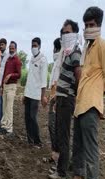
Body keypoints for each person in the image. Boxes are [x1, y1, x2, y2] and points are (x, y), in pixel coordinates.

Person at [60, 7, 105, 179]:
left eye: (92, 25)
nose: (88, 29)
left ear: (99, 25)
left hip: (91, 104)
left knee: (91, 148)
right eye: (86, 26)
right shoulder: (87, 49)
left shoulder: (104, 46)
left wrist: (96, 93)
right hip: (80, 104)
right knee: (78, 146)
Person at [49, 19, 82, 179]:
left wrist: (71, 94)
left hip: (67, 98)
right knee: (59, 133)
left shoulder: (75, 52)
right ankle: (60, 166)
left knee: (63, 135)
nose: (64, 35)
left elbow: (78, 75)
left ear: (75, 34)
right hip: (61, 97)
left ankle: (61, 172)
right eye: (63, 33)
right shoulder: (67, 52)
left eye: (68, 32)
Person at [23, 37, 48, 147]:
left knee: (33, 117)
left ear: (39, 46)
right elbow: (29, 79)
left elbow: (43, 80)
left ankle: (37, 140)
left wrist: (43, 96)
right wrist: (24, 94)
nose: (33, 47)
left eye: (35, 45)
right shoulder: (32, 59)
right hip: (28, 93)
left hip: (36, 94)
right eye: (32, 45)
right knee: (27, 116)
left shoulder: (43, 60)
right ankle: (29, 139)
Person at [0, 41, 22, 136]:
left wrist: (11, 75)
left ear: (15, 49)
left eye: (13, 48)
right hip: (5, 86)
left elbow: (19, 74)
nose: (11, 49)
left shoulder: (17, 60)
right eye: (10, 48)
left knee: (9, 108)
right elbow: (4, 73)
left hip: (12, 86)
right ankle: (4, 126)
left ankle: (9, 129)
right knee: (4, 107)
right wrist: (1, 86)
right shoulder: (8, 59)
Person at [48, 37, 61, 166]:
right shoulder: (56, 62)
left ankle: (58, 156)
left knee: (55, 127)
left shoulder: (61, 61)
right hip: (53, 97)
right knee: (52, 127)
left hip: (57, 98)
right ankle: (54, 154)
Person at [0, 38, 9, 127]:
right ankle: (0, 121)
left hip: (5, 85)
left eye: (2, 45)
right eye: (0, 45)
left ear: (6, 45)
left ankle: (4, 123)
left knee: (5, 104)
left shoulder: (8, 57)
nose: (1, 46)